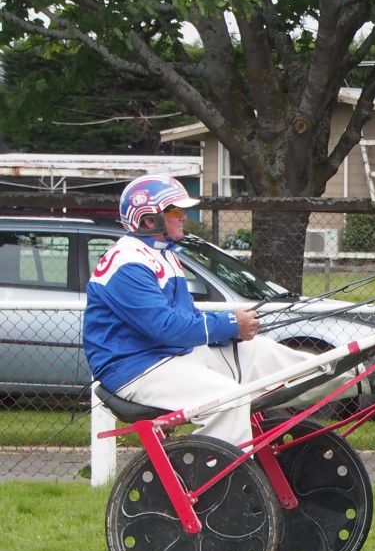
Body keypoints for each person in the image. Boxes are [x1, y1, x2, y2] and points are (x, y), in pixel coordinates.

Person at [83, 174, 351, 448]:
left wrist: (229, 333)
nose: (183, 216)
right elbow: (166, 327)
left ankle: (358, 376)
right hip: (135, 368)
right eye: (175, 210)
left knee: (259, 352)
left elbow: (185, 319)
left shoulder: (163, 254)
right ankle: (221, 482)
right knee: (228, 398)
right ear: (149, 220)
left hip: (169, 356)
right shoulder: (128, 263)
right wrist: (231, 324)